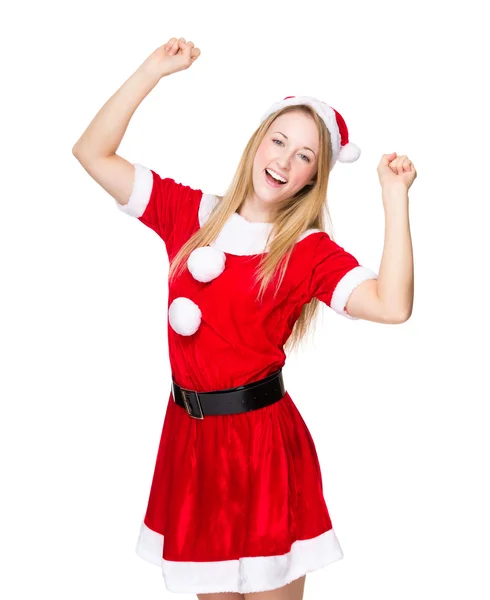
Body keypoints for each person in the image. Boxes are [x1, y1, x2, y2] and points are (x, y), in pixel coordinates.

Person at [72, 37, 416, 600]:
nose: (283, 160)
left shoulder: (305, 250)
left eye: (304, 155)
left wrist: (395, 197)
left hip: (261, 447)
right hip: (192, 442)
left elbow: (392, 305)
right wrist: (151, 71)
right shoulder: (190, 214)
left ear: (314, 175)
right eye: (277, 141)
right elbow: (92, 153)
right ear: (256, 143)